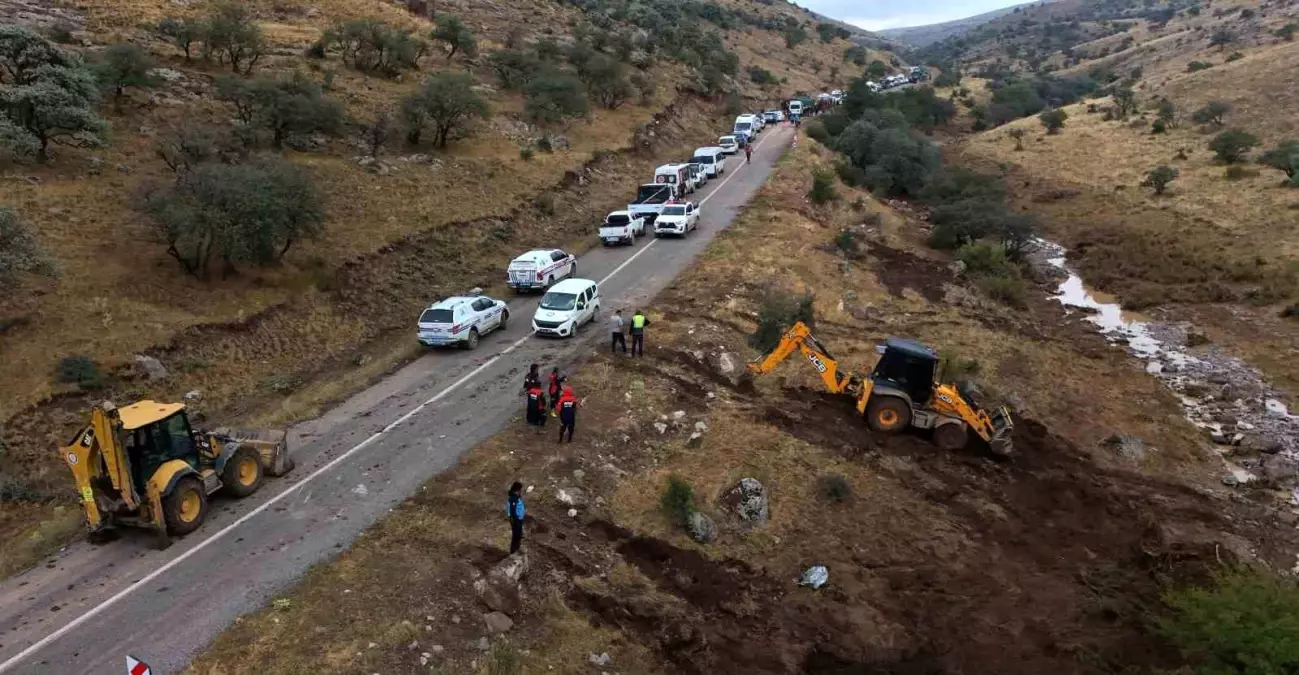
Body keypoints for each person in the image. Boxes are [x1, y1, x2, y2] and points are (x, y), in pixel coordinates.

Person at [506, 482, 525, 554]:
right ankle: (515, 551)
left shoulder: (515, 498)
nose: (520, 492)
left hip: (517, 519)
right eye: (520, 490)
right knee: (516, 535)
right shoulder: (513, 499)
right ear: (516, 490)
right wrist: (515, 519)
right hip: (516, 519)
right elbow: (512, 510)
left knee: (518, 535)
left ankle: (516, 550)